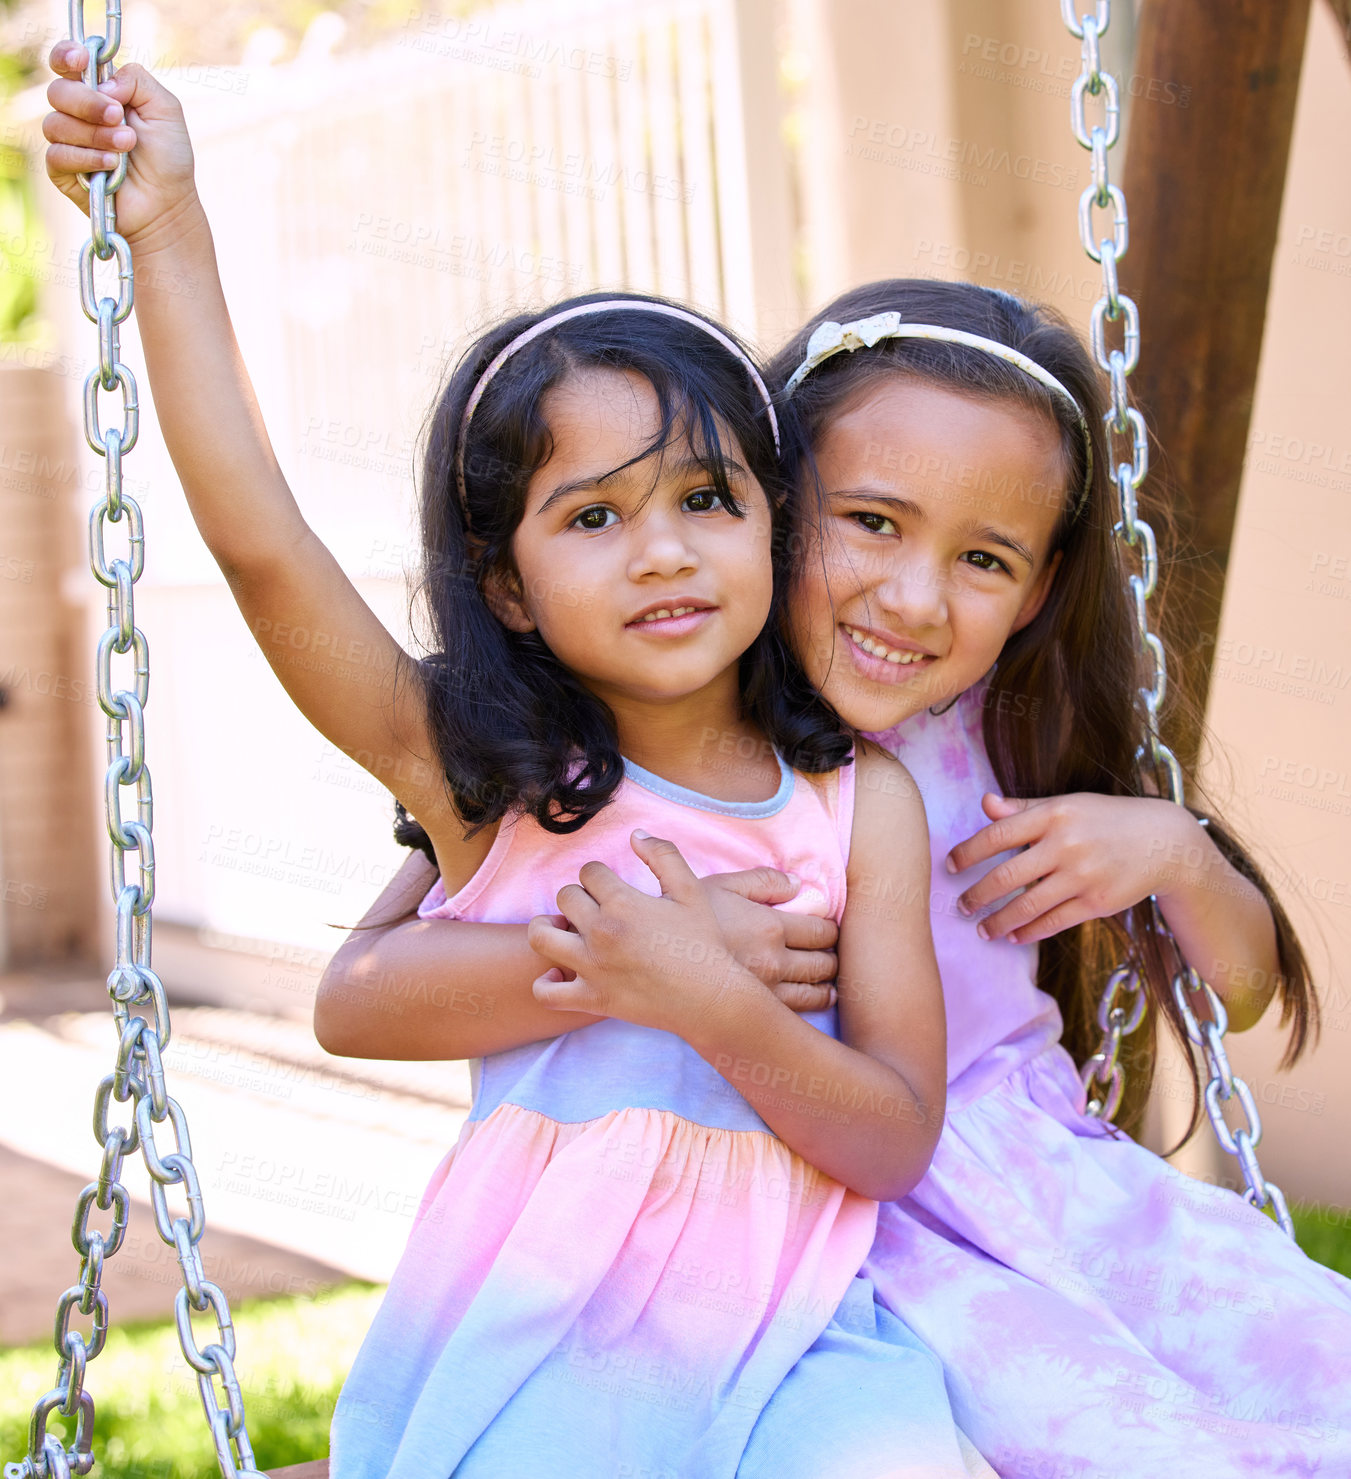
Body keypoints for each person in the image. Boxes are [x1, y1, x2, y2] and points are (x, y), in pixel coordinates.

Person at [44, 53, 996, 1479]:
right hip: (543, 1333)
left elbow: (889, 1137)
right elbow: (262, 545)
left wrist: (696, 991)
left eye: (701, 496)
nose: (664, 546)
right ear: (503, 583)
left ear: (771, 520)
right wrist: (165, 225)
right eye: (592, 516)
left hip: (796, 1332)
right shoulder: (490, 781)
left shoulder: (853, 803)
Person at [324, 279, 1351, 1475]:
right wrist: (641, 955)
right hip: (825, 1223)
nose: (912, 599)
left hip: (1046, 1186)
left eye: (983, 558)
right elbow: (365, 982)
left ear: (1039, 584)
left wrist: (1175, 849)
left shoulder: (1011, 732)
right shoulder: (648, 747)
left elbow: (1227, 1000)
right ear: (759, 500)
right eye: (870, 521)